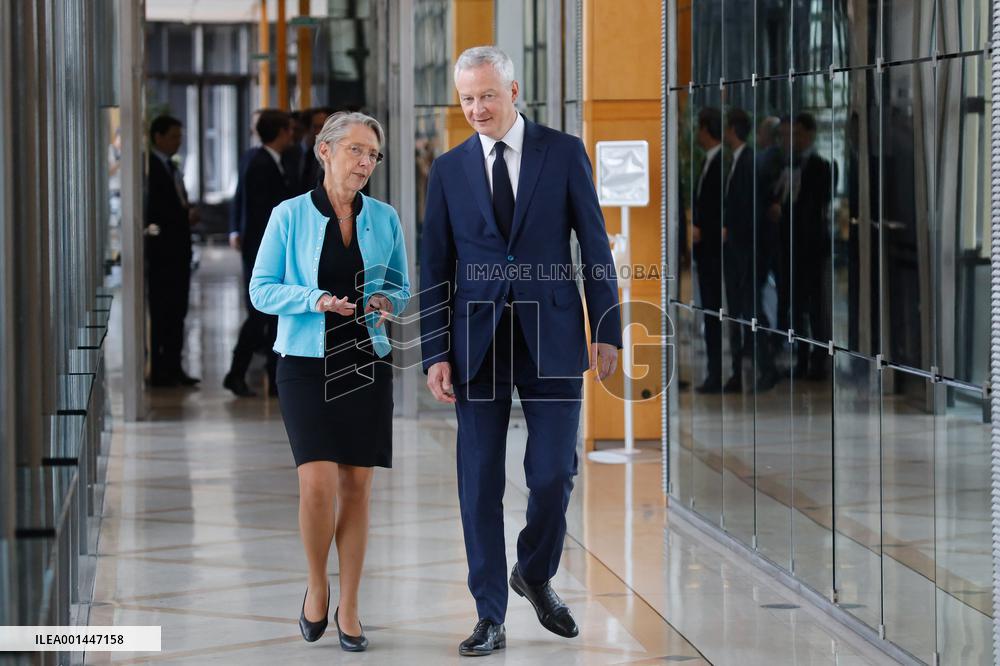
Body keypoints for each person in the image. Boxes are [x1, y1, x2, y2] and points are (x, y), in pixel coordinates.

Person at [419, 45, 622, 657]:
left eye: (486, 95)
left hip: (554, 334)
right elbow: (435, 267)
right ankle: (490, 614)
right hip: (474, 341)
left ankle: (534, 570)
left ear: (513, 90)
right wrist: (435, 350)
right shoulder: (449, 170)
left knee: (553, 472)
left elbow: (593, 244)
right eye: (466, 99)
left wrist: (607, 327)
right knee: (478, 482)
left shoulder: (562, 153)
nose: (476, 109)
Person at [250, 111, 408, 652]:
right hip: (303, 361)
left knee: (357, 488)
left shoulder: (385, 219)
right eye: (356, 151)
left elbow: (403, 287)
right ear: (325, 151)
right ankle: (317, 586)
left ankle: (352, 605)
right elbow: (261, 289)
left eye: (373, 155)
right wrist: (313, 299)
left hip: (366, 359)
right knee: (316, 482)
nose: (365, 163)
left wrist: (388, 300)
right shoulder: (288, 216)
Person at [224, 110, 295, 397]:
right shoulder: (261, 164)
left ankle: (270, 374)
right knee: (259, 315)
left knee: (267, 316)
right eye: (289, 130)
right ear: (279, 132)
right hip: (261, 252)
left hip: (259, 250)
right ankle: (236, 372)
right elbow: (260, 215)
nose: (292, 135)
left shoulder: (262, 159)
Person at [145, 115, 200, 388]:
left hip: (179, 253)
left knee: (178, 312)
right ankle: (160, 369)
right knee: (163, 313)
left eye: (180, 137)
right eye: (174, 137)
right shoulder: (150, 167)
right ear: (158, 137)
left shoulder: (171, 167)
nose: (178, 142)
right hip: (162, 255)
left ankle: (174, 366)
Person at [691, 107, 724, 393]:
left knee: (717, 312)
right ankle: (714, 372)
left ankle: (720, 373)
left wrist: (706, 231)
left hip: (717, 254)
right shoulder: (707, 162)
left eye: (700, 127)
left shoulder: (722, 163)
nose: (697, 134)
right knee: (710, 312)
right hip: (706, 254)